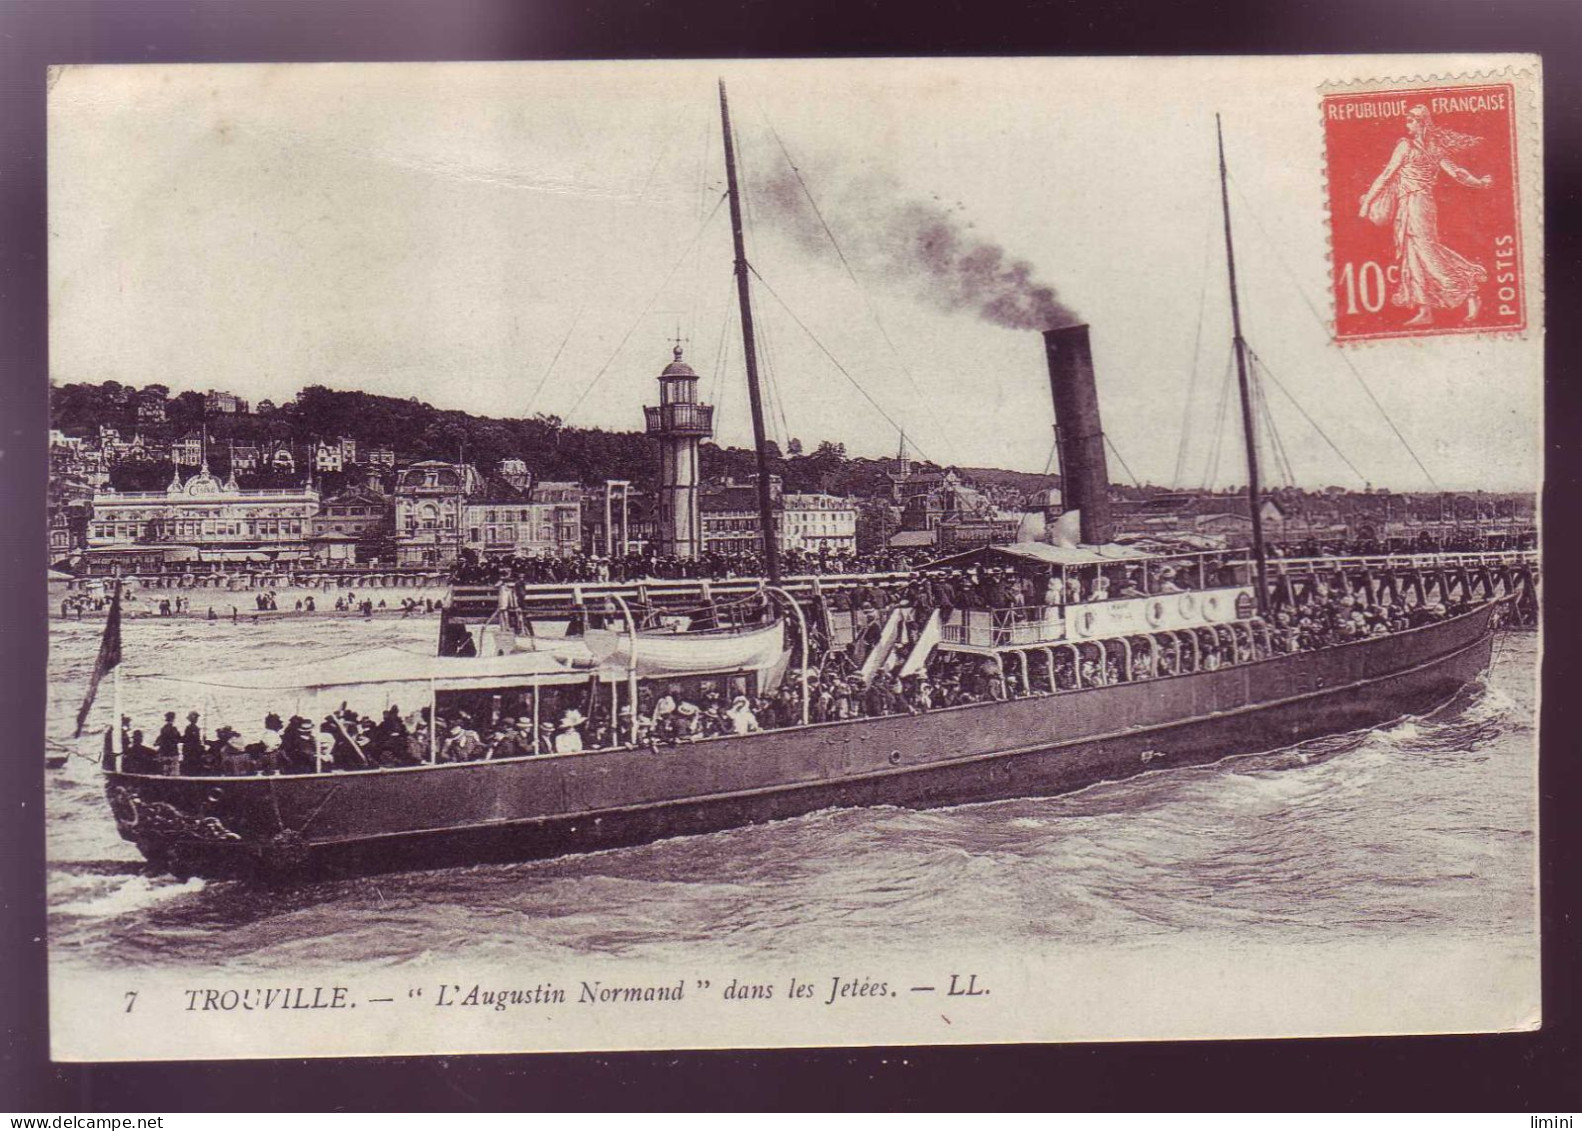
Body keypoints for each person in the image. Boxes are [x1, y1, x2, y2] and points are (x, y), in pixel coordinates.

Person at [1358, 104, 1492, 327]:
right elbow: (1458, 173)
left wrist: (1367, 203)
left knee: (1427, 252)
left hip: (1416, 204)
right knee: (1414, 253)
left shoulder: (1406, 146)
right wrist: (1478, 182)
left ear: (1421, 123)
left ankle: (1469, 288)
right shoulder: (1434, 148)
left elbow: (1386, 175)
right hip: (1415, 204)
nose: (1407, 125)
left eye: (1410, 121)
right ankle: (1425, 310)